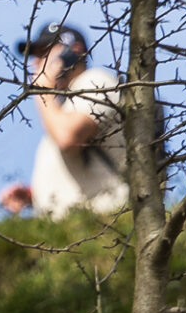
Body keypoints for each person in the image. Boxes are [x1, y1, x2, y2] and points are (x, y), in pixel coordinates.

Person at [23, 23, 129, 214]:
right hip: (73, 228)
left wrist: (42, 91)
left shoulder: (96, 82)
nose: (36, 63)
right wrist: (34, 195)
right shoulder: (62, 108)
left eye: (44, 53)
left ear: (73, 51)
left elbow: (68, 138)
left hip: (102, 224)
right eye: (35, 56)